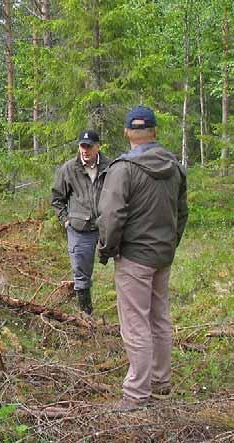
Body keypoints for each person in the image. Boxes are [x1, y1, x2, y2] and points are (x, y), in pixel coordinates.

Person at [98, 106, 188, 410]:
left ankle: (137, 394)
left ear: (127, 132)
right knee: (159, 318)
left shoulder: (123, 168)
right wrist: (170, 244)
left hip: (135, 255)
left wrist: (108, 249)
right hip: (163, 254)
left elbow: (111, 215)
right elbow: (182, 212)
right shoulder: (174, 166)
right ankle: (161, 382)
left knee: (136, 323)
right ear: (155, 132)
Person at [51, 130, 110, 314]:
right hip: (79, 229)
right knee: (81, 273)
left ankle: (127, 308)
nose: (85, 150)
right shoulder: (68, 169)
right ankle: (86, 315)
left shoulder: (111, 166)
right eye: (82, 146)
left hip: (107, 226)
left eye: (89, 146)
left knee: (124, 265)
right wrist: (66, 220)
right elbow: (57, 198)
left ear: (98, 147)